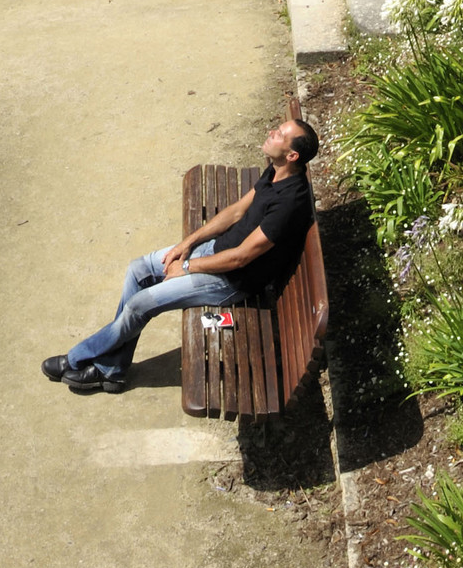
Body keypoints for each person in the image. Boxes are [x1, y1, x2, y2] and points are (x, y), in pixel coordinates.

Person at [42, 113, 318, 395]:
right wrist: (188, 242)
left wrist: (187, 266)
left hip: (231, 280)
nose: (272, 132)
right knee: (138, 268)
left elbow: (241, 258)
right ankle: (111, 370)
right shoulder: (274, 171)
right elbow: (237, 211)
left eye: (280, 135)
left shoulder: (289, 203)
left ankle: (77, 358)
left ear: (293, 155)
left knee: (139, 305)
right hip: (217, 250)